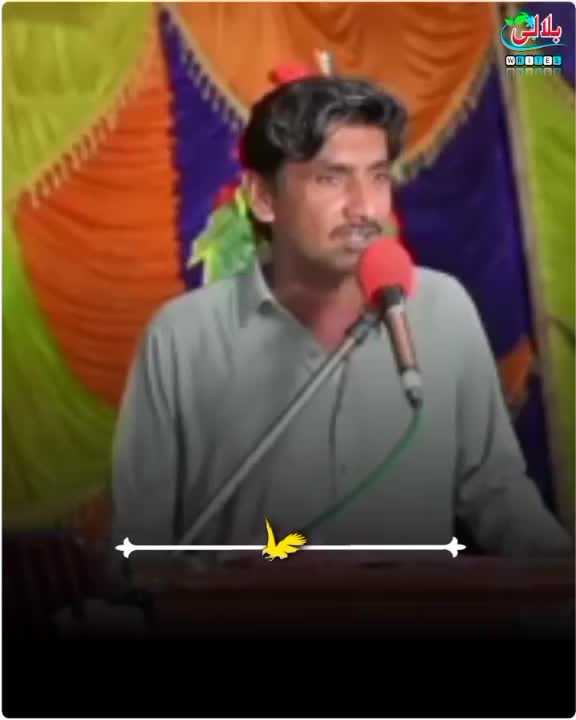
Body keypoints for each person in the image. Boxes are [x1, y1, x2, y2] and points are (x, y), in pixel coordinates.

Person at [109, 76, 572, 566]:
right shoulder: (182, 338)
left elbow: (496, 490)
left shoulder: (443, 309)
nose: (365, 207)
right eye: (331, 178)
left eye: (378, 177)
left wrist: (560, 569)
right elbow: (137, 542)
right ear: (263, 196)